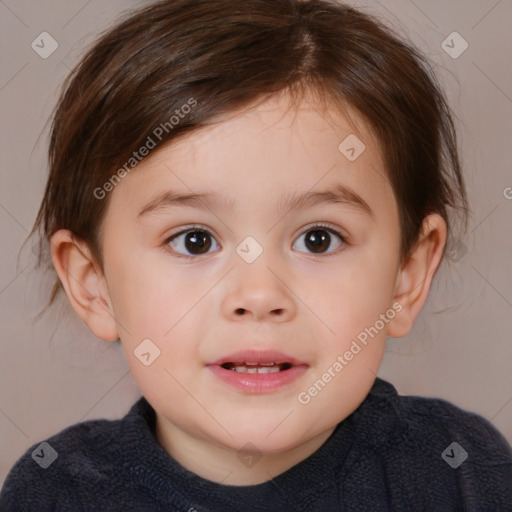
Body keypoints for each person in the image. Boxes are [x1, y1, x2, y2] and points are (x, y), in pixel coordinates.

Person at [1, 0, 511, 510]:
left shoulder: (461, 472)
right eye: (194, 240)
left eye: (319, 239)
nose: (260, 295)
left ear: (407, 276)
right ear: (95, 285)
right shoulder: (59, 492)